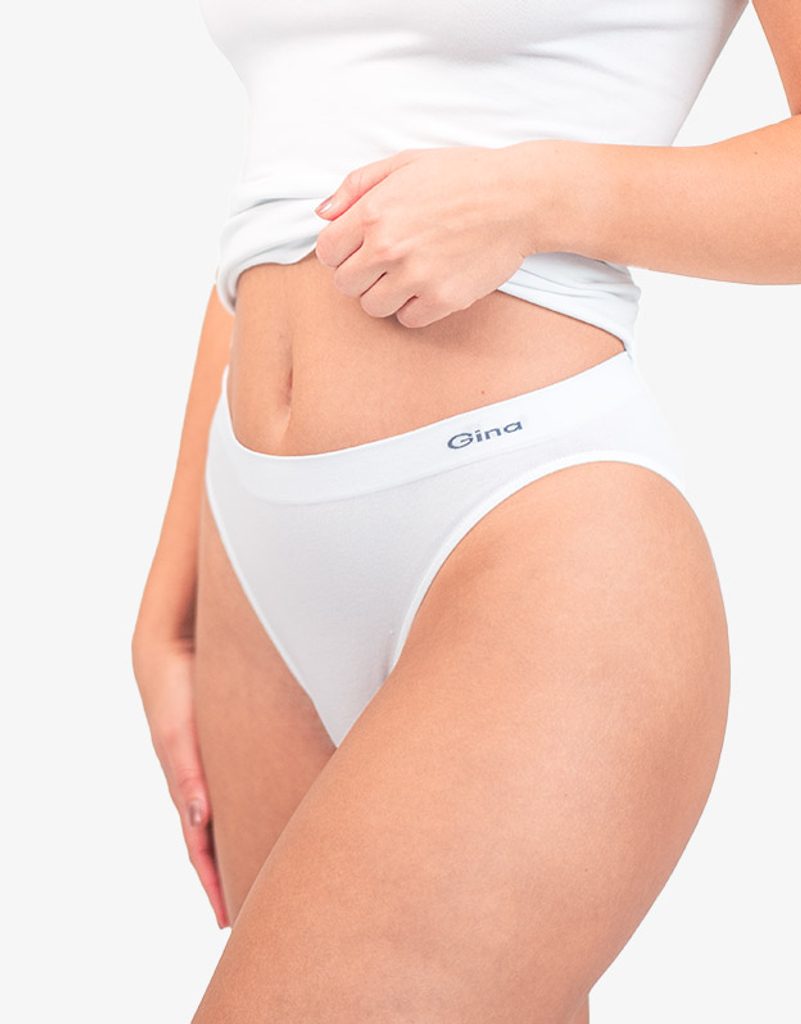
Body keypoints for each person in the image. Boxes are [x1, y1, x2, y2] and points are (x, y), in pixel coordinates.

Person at [131, 1, 800, 1020]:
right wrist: (172, 592)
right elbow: (283, 204)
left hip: (528, 535)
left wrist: (539, 195)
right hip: (256, 562)